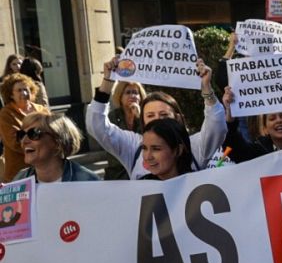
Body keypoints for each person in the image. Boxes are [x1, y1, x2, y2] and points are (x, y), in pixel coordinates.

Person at [87, 55, 225, 179]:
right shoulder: (134, 146)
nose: (157, 120)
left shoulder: (194, 146)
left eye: (164, 115)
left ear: (177, 118)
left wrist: (206, 87)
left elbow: (217, 125)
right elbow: (97, 126)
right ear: (143, 121)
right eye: (150, 115)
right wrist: (107, 81)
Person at [14, 111, 100, 182]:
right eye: (21, 135)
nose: (24, 141)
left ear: (57, 142)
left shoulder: (88, 181)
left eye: (33, 134)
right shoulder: (19, 180)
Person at [1, 72, 49, 181]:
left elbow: (53, 132)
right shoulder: (6, 113)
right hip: (20, 171)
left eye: (26, 89)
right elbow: (15, 142)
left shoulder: (41, 110)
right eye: (19, 90)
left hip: (45, 168)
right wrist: (43, 146)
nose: (23, 93)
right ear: (11, 94)